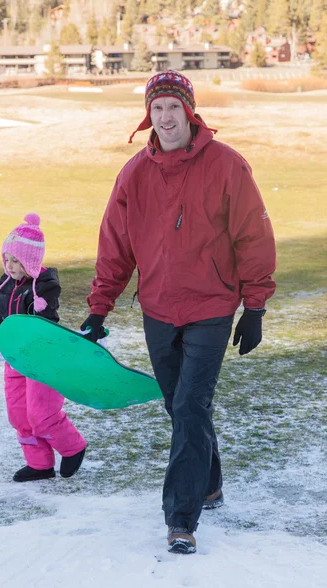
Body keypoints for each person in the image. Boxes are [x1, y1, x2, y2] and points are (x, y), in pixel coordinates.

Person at [80, 71, 276, 554]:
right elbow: (116, 246)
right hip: (159, 309)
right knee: (180, 406)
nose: (165, 118)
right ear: (149, 116)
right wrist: (99, 308)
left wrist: (255, 306)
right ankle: (208, 485)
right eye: (157, 109)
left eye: (174, 108)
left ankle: (180, 519)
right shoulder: (134, 173)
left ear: (190, 112)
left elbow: (253, 234)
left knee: (190, 405)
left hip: (211, 307)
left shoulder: (227, 166)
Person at [0, 213, 87, 482]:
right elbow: (3, 321)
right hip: (16, 360)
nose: (10, 265)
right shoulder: (7, 285)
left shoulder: (44, 288)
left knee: (41, 414)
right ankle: (39, 464)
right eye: (7, 258)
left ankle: (73, 447)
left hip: (43, 364)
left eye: (16, 260)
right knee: (19, 416)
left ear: (29, 260)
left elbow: (44, 325)